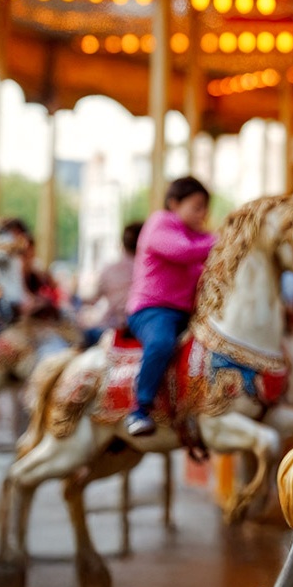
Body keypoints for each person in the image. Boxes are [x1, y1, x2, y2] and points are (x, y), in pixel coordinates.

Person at [123, 178, 217, 437]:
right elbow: (183, 251)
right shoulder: (161, 223)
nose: (203, 213)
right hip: (153, 309)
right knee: (161, 343)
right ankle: (139, 410)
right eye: (197, 206)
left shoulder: (198, 235)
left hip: (185, 311)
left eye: (205, 207)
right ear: (174, 203)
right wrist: (224, 240)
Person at [80, 221, 142, 347]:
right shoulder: (148, 270)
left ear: (122, 244)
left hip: (110, 328)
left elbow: (92, 298)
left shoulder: (110, 269)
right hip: (138, 328)